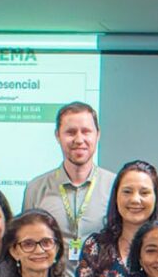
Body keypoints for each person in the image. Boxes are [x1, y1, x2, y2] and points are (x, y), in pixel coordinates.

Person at [23, 102, 116, 266]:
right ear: (57, 136)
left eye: (86, 132)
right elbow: (26, 245)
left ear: (97, 135)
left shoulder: (116, 186)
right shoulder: (36, 189)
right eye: (71, 132)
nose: (79, 140)